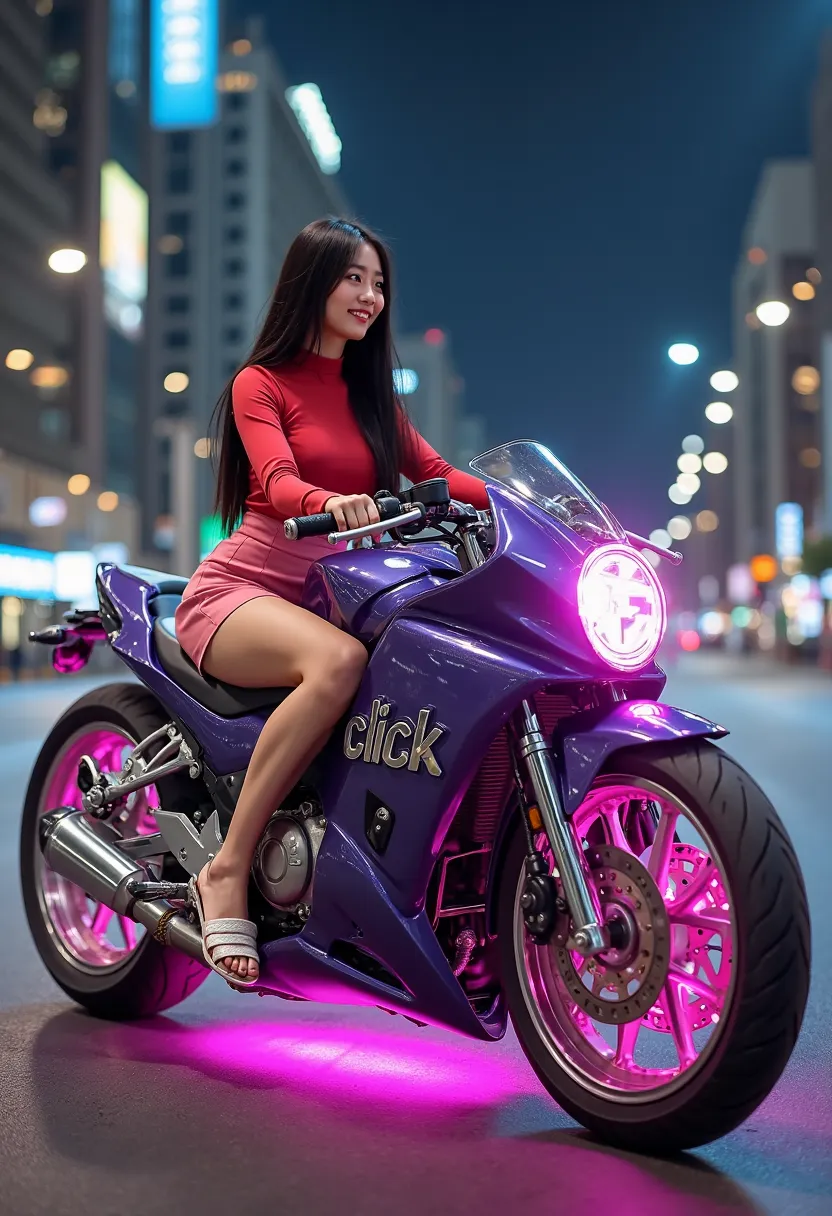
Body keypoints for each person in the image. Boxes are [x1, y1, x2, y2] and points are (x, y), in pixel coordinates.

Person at [175, 217, 490, 985]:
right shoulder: (263, 382)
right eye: (354, 277)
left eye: (379, 283)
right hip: (243, 589)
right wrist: (331, 500)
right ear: (312, 280)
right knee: (339, 663)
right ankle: (227, 869)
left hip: (334, 593)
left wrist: (540, 510)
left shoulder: (373, 399)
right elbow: (279, 482)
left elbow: (441, 475)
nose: (370, 295)